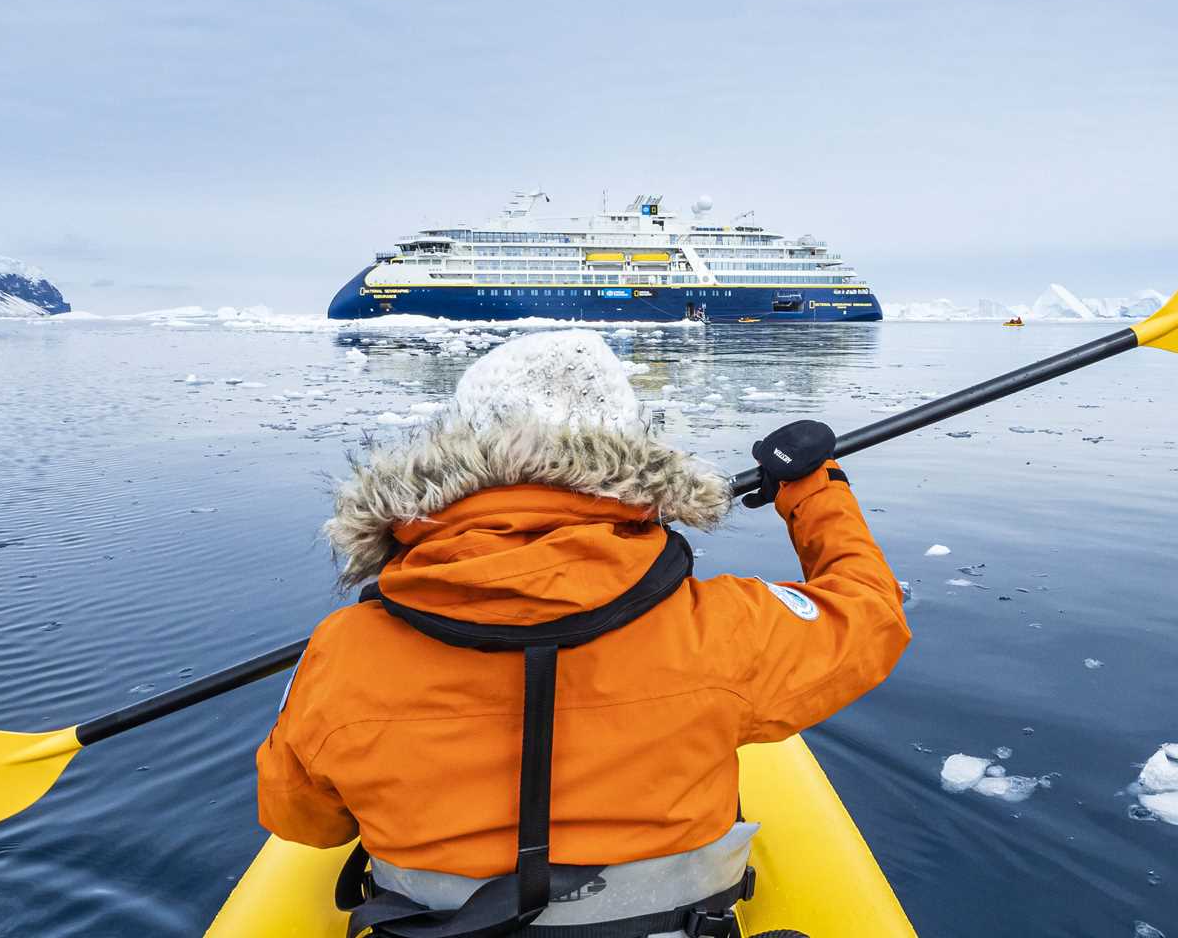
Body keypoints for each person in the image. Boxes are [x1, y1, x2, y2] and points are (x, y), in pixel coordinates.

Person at [256, 330, 910, 936]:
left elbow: (303, 822)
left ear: (457, 446)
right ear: (627, 447)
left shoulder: (342, 652)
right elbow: (868, 612)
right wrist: (814, 489)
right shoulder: (723, 630)